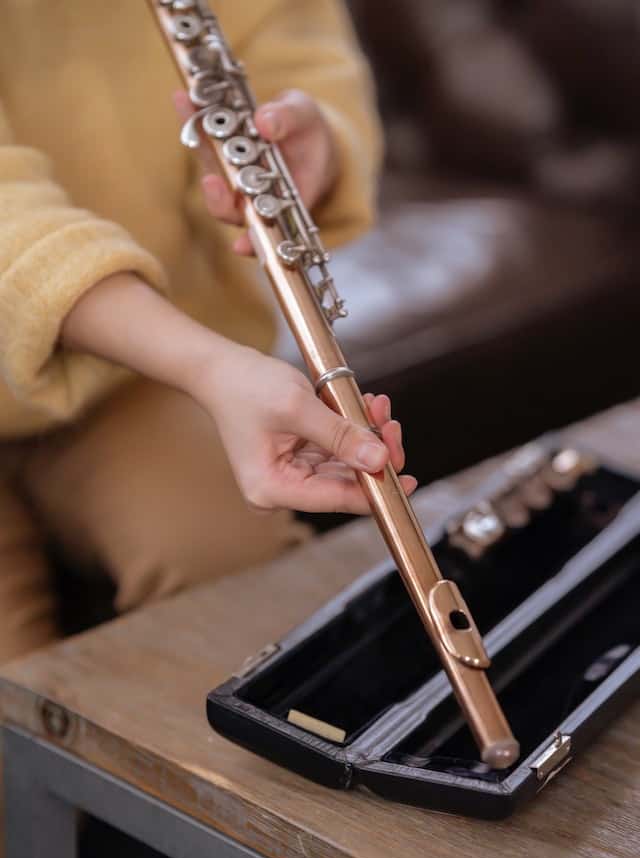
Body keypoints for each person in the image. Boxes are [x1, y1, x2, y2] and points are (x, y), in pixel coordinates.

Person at [0, 0, 416, 661]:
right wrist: (209, 367)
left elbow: (298, 49)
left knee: (238, 583)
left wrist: (313, 146)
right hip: (163, 345)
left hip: (136, 368)